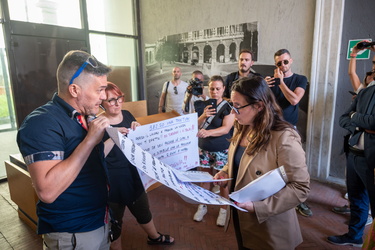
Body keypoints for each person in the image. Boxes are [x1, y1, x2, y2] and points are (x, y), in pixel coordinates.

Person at [16, 50, 113, 249]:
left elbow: (87, 161)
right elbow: (47, 191)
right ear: (75, 90)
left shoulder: (82, 116)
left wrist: (121, 139)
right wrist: (89, 141)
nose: (104, 97)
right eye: (99, 90)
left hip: (99, 220)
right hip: (73, 233)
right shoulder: (41, 123)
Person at [214, 76, 310, 249]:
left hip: (269, 223)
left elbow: (300, 187)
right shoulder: (242, 124)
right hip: (241, 216)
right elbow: (238, 161)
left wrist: (260, 207)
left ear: (258, 106)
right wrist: (225, 172)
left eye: (237, 107)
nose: (232, 113)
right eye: (231, 106)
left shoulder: (283, 137)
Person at [101, 82, 174, 248]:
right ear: (101, 103)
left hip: (133, 174)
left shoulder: (126, 114)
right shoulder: (99, 123)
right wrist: (113, 136)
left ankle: (154, 237)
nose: (117, 103)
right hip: (112, 181)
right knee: (115, 220)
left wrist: (139, 131)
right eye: (111, 100)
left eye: (119, 98)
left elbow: (138, 145)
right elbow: (99, 156)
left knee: (143, 209)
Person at [327, 43, 375, 248]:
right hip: (354, 152)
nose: (373, 68)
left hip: (372, 156)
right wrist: (358, 119)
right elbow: (343, 118)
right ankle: (355, 235)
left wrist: (358, 119)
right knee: (356, 199)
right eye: (373, 63)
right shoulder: (365, 91)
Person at [265, 48, 311, 217]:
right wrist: (264, 86)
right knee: (272, 165)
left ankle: (300, 201)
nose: (282, 65)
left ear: (291, 61)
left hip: (290, 129)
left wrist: (281, 82)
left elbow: (294, 99)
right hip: (271, 128)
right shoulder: (271, 81)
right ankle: (275, 200)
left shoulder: (300, 79)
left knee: (294, 166)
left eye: (285, 62)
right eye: (279, 63)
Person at [193, 75, 235, 226]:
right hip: (204, 148)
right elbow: (195, 125)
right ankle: (202, 205)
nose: (214, 91)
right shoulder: (201, 105)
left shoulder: (228, 107)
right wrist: (204, 115)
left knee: (222, 182)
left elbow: (226, 129)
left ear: (223, 89)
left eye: (218, 89)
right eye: (212, 88)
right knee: (204, 179)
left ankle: (224, 210)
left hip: (220, 149)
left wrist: (209, 132)